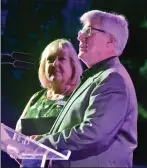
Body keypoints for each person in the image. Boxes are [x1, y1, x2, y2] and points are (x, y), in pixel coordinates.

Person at [37, 10, 138, 167]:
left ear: (110, 40)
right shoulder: (96, 77)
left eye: (88, 31)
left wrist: (43, 143)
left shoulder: (113, 79)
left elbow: (93, 133)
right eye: (82, 30)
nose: (80, 36)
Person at [14, 39, 83, 167]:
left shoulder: (79, 97)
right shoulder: (36, 98)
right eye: (50, 59)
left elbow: (81, 137)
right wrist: (17, 150)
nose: (54, 63)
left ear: (73, 65)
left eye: (61, 59)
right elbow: (17, 133)